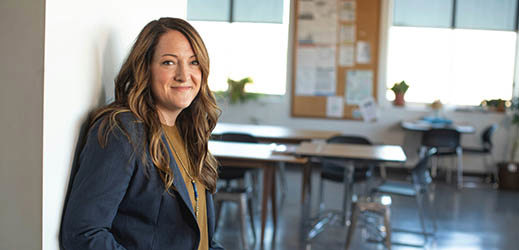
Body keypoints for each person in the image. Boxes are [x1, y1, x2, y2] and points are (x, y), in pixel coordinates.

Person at [60, 17, 223, 250]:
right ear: (145, 68)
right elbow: (84, 233)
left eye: (194, 62)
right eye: (168, 62)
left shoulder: (190, 131)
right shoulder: (121, 130)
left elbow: (201, 238)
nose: (184, 75)